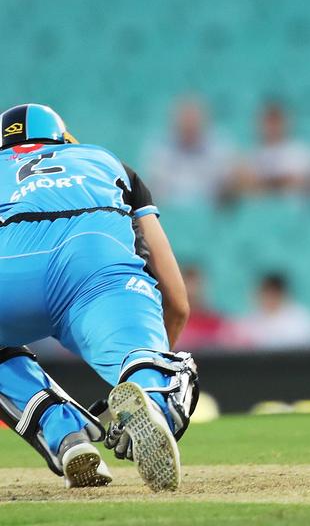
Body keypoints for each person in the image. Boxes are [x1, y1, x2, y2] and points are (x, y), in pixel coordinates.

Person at [0, 104, 197, 491]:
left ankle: (65, 436)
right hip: (95, 267)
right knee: (167, 368)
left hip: (9, 268)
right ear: (61, 137)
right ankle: (153, 398)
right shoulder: (105, 160)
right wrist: (149, 359)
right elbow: (177, 301)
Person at [233, 272, 310, 350]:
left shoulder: (302, 321)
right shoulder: (249, 322)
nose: (268, 298)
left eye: (271, 293)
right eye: (265, 293)